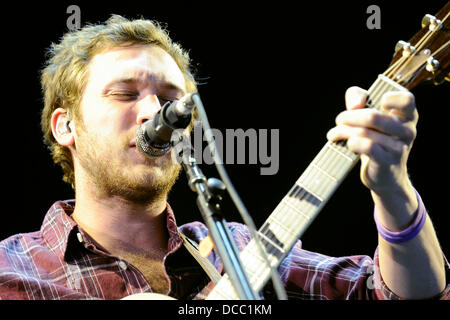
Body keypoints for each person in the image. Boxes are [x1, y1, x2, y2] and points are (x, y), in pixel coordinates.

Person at [0, 15, 448, 300]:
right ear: (66, 126)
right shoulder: (10, 272)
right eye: (124, 93)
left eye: (174, 100)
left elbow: (402, 295)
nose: (157, 112)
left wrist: (393, 188)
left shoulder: (243, 249)